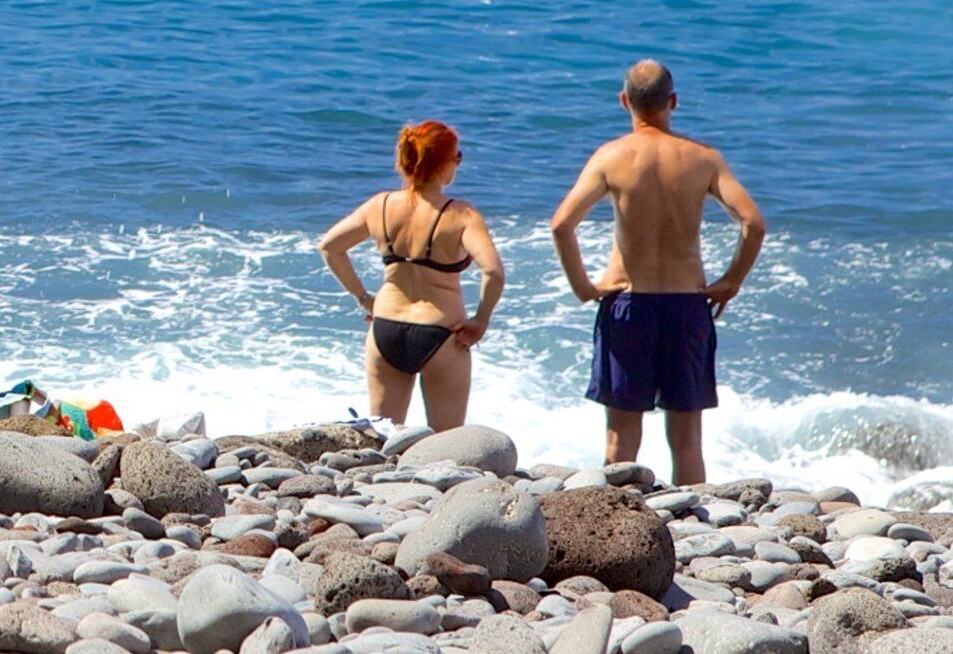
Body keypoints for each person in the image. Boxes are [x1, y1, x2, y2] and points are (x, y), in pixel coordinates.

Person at [546, 58, 766, 484]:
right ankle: (694, 528)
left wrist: (584, 287)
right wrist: (731, 281)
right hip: (687, 305)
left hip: (629, 304)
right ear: (674, 102)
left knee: (620, 438)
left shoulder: (611, 157)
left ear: (624, 101)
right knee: (686, 440)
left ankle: (616, 519)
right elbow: (753, 223)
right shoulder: (703, 159)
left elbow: (561, 224)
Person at [317, 121, 505, 431]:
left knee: (384, 440)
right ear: (444, 163)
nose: (458, 163)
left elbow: (329, 247)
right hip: (442, 335)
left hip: (385, 329)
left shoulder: (380, 205)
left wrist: (364, 298)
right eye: (457, 157)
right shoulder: (462, 216)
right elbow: (494, 272)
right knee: (448, 445)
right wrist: (481, 320)